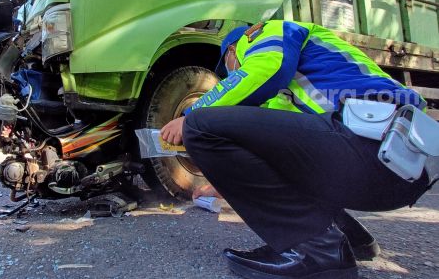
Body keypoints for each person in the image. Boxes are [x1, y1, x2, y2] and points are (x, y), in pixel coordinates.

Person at [161, 20, 432, 279]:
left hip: (374, 146)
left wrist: (193, 113)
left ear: (233, 50)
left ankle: (316, 250)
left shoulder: (265, 32)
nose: (229, 75)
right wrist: (228, 177)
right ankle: (348, 238)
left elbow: (267, 69)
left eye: (228, 68)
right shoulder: (290, 96)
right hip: (391, 170)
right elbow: (273, 148)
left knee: (201, 125)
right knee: (241, 138)